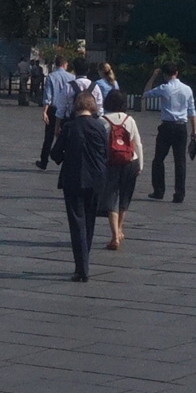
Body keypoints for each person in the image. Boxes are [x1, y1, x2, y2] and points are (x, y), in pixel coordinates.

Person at [52, 89, 111, 281]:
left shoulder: (69, 127)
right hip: (96, 179)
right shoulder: (100, 127)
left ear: (76, 106)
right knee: (89, 220)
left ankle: (81, 267)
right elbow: (106, 154)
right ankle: (85, 259)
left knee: (76, 222)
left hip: (73, 178)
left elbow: (55, 154)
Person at [146, 66, 196, 203]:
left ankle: (159, 190)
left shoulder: (164, 88)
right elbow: (192, 112)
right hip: (181, 127)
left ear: (164, 74)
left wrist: (153, 76)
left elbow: (146, 93)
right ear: (177, 72)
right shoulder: (187, 89)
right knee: (180, 161)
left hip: (167, 126)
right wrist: (194, 131)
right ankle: (179, 193)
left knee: (158, 159)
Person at [100, 88, 142, 249]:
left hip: (111, 163)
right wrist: (140, 165)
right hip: (130, 162)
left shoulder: (102, 120)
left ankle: (114, 236)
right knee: (125, 198)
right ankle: (120, 229)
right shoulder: (129, 120)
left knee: (111, 198)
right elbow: (137, 143)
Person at [38, 55, 81, 169]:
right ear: (64, 64)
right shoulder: (72, 77)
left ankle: (44, 161)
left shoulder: (51, 77)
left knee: (49, 137)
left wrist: (44, 111)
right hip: (67, 110)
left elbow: (48, 95)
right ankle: (67, 160)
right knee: (67, 136)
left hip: (53, 109)